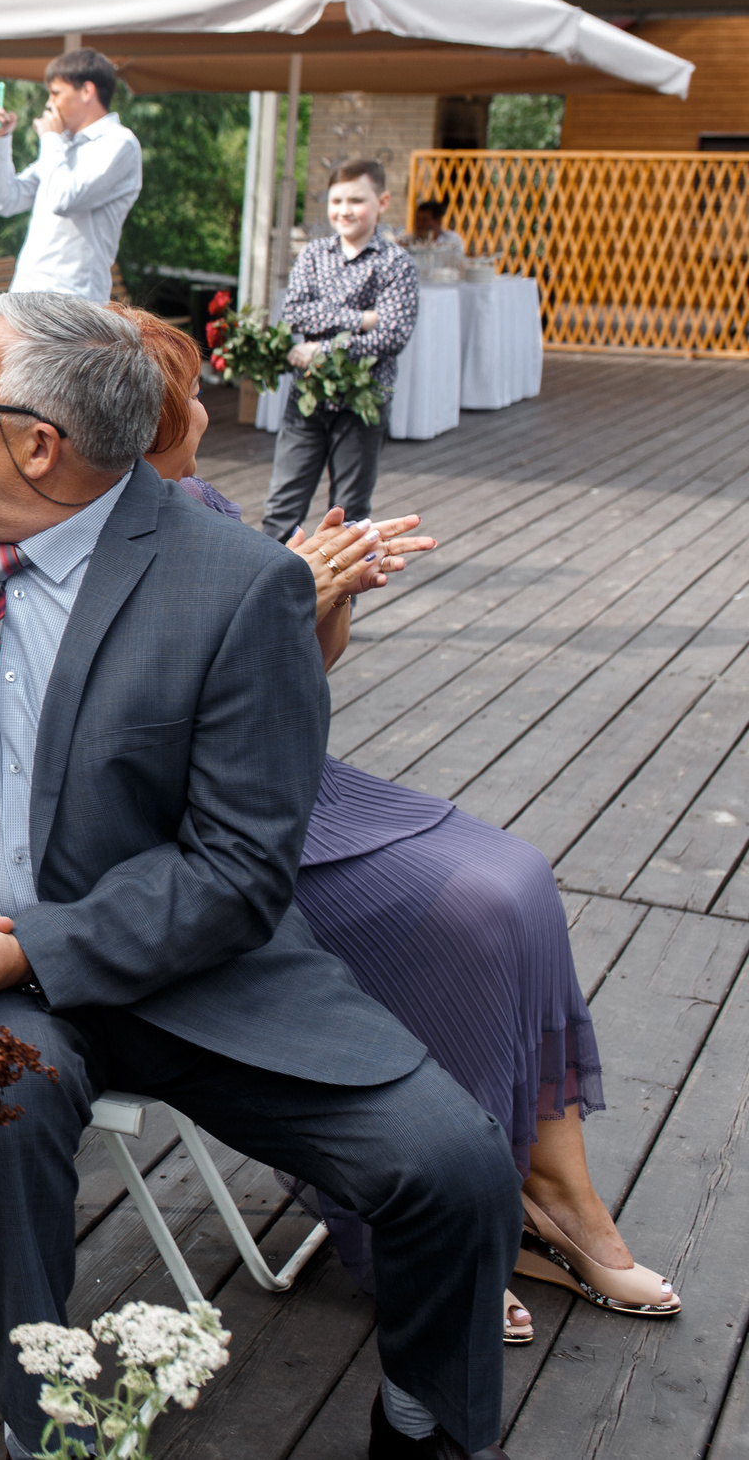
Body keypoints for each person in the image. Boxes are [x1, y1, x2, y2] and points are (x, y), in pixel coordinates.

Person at [0, 291, 522, 1460]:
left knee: (454, 1165)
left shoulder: (237, 586)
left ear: (38, 444)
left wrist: (30, 946)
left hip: (185, 967)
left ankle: (424, 1422)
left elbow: (238, 870)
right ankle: (47, 1434)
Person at [135, 319, 678, 1348]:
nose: (207, 410)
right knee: (466, 913)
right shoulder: (100, 547)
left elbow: (305, 674)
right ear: (148, 421)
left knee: (518, 877)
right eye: (192, 395)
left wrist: (327, 596)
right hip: (211, 823)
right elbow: (164, 730)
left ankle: (561, 1198)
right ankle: (441, 1224)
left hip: (298, 784)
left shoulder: (200, 504)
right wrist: (285, 596)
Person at [260, 157, 419, 540]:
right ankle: (272, 579)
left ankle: (340, 583)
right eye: (336, 201)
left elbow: (391, 336)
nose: (344, 210)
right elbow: (295, 313)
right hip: (308, 398)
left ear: (382, 202)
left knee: (349, 516)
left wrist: (324, 349)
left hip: (362, 403)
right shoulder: (313, 255)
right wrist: (361, 319)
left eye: (356, 200)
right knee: (281, 508)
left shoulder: (396, 263)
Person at [0, 48, 141, 303]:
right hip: (25, 294)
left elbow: (63, 200)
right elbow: (5, 200)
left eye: (55, 93)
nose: (49, 103)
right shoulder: (62, 145)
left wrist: (51, 139)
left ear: (87, 91)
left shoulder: (119, 144)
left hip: (74, 302)